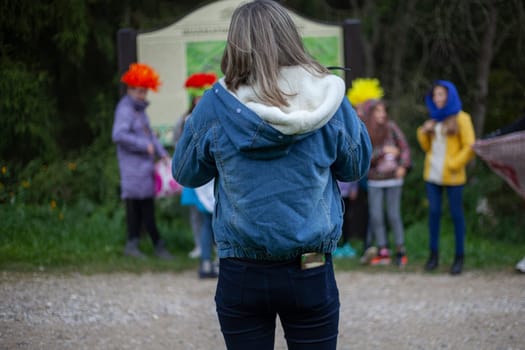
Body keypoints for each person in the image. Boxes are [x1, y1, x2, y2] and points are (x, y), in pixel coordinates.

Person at [172, 1, 372, 348]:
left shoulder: (216, 104)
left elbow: (186, 173)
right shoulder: (328, 98)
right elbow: (355, 167)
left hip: (241, 269)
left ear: (235, 44)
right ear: (290, 37)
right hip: (311, 266)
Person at [112, 62, 174, 260]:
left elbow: (150, 136)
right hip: (132, 170)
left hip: (144, 169)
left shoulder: (139, 110)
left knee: (142, 208)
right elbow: (118, 135)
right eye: (139, 91)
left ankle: (140, 245)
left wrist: (161, 152)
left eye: (145, 92)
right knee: (139, 208)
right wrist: (143, 145)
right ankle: (153, 246)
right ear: (129, 89)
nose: (142, 96)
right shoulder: (125, 110)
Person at [417, 80, 475, 275]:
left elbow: (470, 146)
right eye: (435, 95)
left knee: (457, 216)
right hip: (432, 175)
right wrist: (423, 132)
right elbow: (428, 148)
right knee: (434, 214)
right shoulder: (434, 119)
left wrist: (453, 164)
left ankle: (459, 257)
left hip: (453, 177)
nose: (437, 98)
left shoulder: (462, 118)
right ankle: (433, 256)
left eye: (441, 94)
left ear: (449, 96)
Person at [174, 72, 219, 259]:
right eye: (198, 96)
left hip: (209, 175)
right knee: (198, 215)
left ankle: (211, 254)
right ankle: (201, 248)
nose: (200, 100)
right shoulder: (187, 120)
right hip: (195, 173)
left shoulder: (214, 117)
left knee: (211, 217)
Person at [362, 99, 411, 267]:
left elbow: (404, 147)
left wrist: (403, 165)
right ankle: (383, 250)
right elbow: (366, 158)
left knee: (393, 214)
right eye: (378, 111)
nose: (382, 114)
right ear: (370, 114)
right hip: (375, 180)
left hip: (394, 179)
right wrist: (383, 151)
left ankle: (400, 250)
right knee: (376, 216)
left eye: (383, 111)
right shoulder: (365, 132)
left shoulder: (391, 128)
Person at [346, 78, 385, 264]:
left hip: (378, 175)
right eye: (357, 106)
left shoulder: (380, 128)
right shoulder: (352, 124)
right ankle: (369, 244)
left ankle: (376, 245)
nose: (360, 110)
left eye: (364, 107)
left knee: (376, 211)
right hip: (362, 175)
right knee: (368, 209)